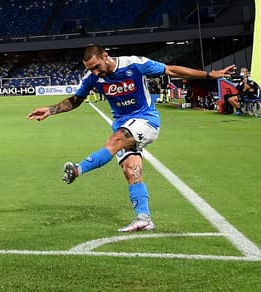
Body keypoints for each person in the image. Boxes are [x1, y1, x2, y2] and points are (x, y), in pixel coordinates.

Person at [28, 44, 236, 232]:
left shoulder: (135, 64)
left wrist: (210, 75)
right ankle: (144, 218)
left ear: (106, 56)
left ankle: (77, 169)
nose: (94, 71)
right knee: (131, 170)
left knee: (115, 141)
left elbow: (170, 69)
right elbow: (75, 100)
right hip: (122, 124)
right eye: (90, 69)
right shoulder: (92, 78)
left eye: (96, 66)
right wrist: (50, 109)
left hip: (146, 121)